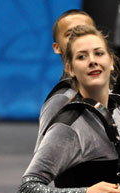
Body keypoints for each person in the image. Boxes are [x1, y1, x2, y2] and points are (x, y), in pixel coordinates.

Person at [17, 25, 120, 193]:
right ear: (70, 68)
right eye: (82, 57)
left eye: (99, 53)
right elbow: (26, 190)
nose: (92, 60)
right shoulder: (68, 127)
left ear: (111, 61)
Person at [34, 9, 95, 152]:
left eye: (86, 32)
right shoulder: (61, 100)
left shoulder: (113, 91)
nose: (79, 39)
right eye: (70, 34)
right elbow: (41, 168)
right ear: (57, 47)